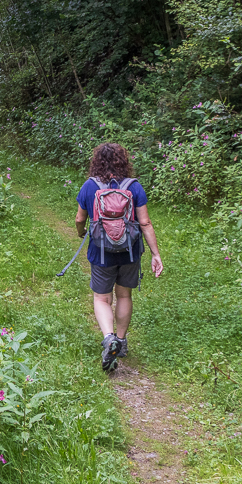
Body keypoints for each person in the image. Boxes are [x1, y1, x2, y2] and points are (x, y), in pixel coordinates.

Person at [74, 141, 163, 370]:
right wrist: (155, 254)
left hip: (101, 252)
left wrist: (81, 232)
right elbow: (145, 222)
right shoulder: (134, 187)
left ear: (97, 162)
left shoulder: (90, 186)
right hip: (129, 251)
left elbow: (79, 219)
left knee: (101, 298)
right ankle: (121, 342)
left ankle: (108, 338)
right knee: (124, 295)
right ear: (124, 162)